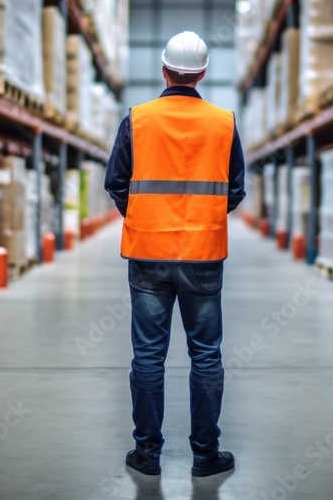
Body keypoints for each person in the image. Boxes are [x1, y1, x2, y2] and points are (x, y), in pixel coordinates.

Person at [104, 31, 246, 478]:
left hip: (149, 253)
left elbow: (116, 182)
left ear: (164, 70)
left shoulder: (138, 119)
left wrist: (146, 216)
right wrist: (201, 217)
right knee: (206, 354)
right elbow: (235, 188)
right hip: (203, 254)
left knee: (148, 355)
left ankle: (147, 454)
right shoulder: (223, 122)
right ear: (202, 73)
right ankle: (206, 456)